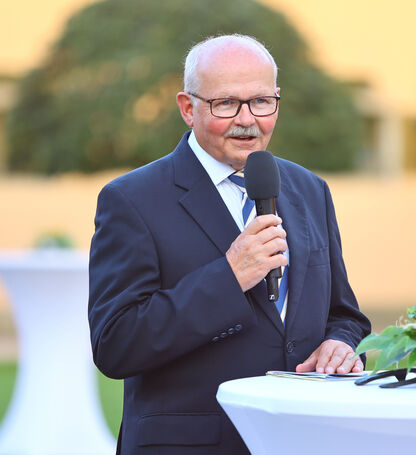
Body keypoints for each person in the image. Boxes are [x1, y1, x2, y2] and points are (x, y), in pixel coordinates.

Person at [88, 34, 371, 455]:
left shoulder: (311, 190)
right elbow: (116, 344)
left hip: (302, 438)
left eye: (261, 101)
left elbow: (345, 315)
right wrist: (229, 276)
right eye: (226, 104)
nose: (248, 119)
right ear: (188, 108)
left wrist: (342, 344)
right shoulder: (131, 200)